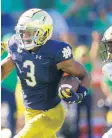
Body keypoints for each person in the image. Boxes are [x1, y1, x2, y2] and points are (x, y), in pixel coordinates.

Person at [1, 8, 91, 138]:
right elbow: (4, 68)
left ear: (44, 32)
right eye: (22, 32)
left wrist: (80, 93)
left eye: (30, 33)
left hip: (51, 112)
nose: (25, 37)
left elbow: (83, 75)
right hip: (30, 113)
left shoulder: (56, 51)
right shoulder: (16, 45)